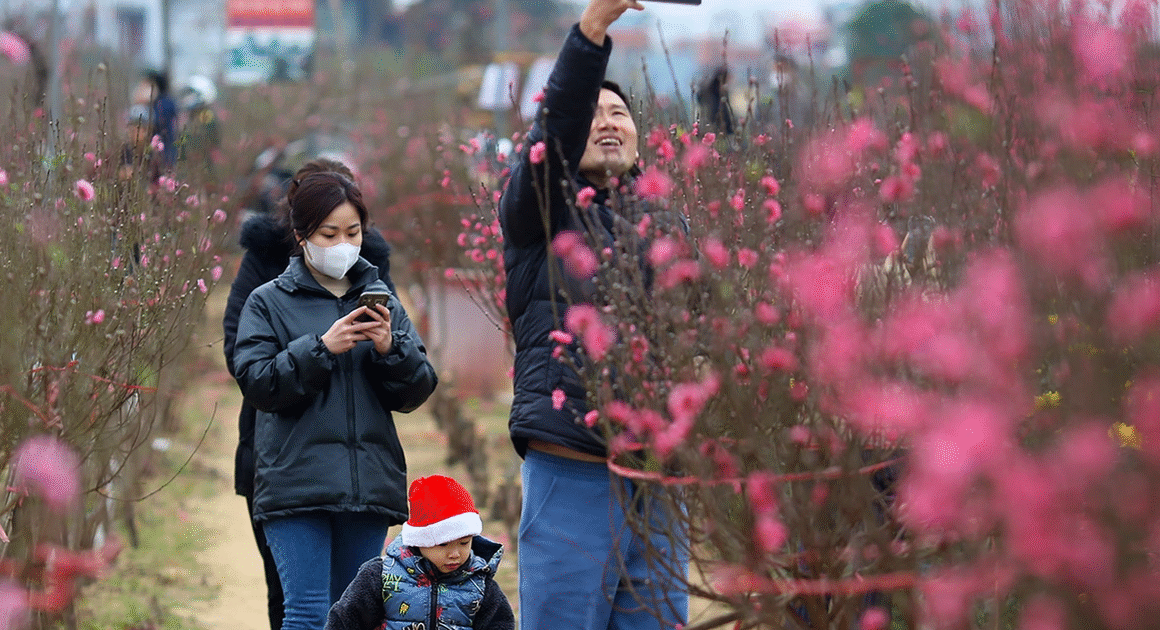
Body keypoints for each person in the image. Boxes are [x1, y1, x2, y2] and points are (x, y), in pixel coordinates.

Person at [497, 0, 689, 628]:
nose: (608, 123)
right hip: (574, 466)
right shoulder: (539, 214)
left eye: (620, 114)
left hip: (659, 483)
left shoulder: (671, 227)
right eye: (594, 113)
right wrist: (591, 33)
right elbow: (551, 135)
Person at [231, 171, 437, 630]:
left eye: (352, 232)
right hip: (295, 484)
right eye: (329, 234)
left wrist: (391, 349)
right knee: (306, 612)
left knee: (354, 615)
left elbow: (419, 388)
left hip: (367, 485)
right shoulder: (268, 302)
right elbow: (258, 383)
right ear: (302, 236)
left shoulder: (382, 300)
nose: (343, 244)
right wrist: (320, 348)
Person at [324, 475, 515, 630]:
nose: (455, 553)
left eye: (464, 543)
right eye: (443, 545)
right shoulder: (381, 576)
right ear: (420, 541)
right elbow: (346, 619)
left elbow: (500, 624)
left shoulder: (480, 585)